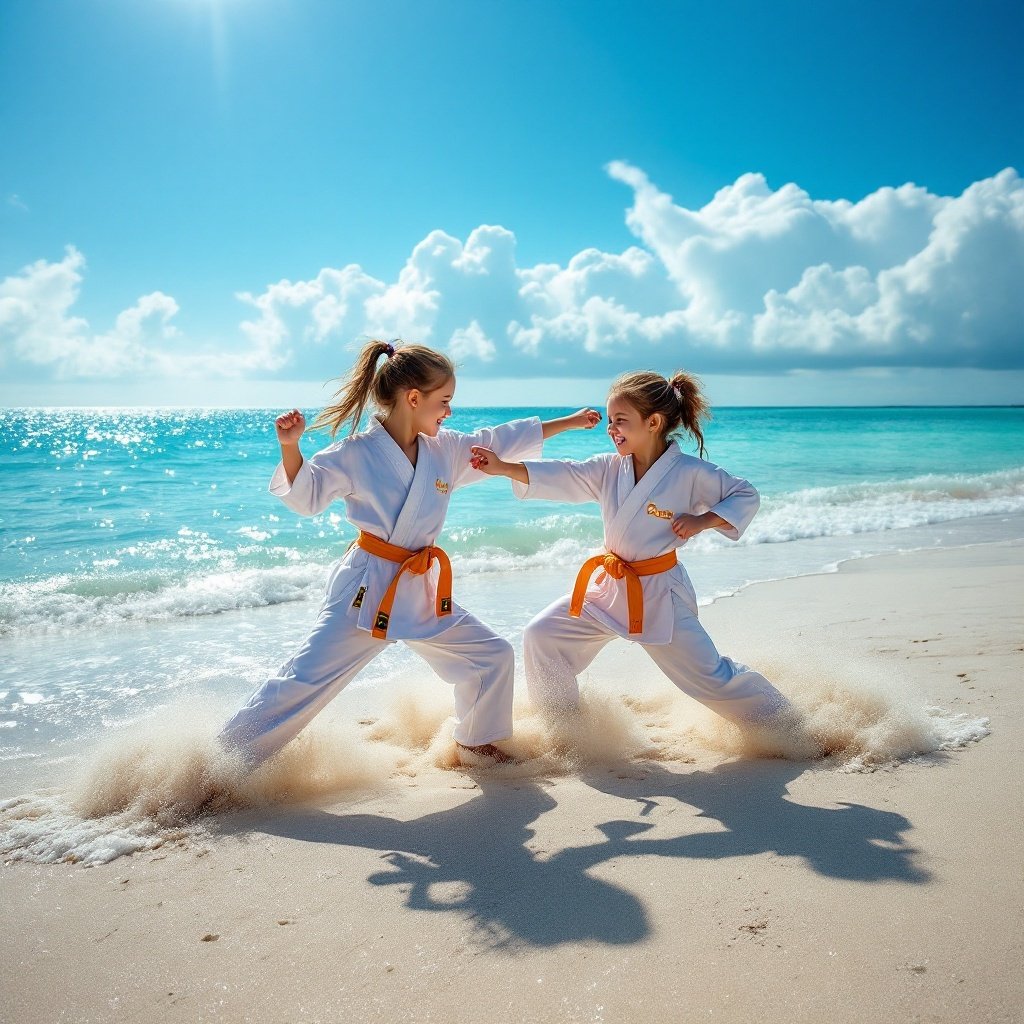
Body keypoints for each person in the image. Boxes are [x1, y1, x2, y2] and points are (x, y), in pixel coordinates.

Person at [219, 340, 600, 769]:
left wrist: (567, 423)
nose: (449, 413)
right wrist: (291, 447)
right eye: (445, 402)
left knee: (490, 656)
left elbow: (498, 440)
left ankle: (476, 745)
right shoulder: (357, 452)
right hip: (367, 591)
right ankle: (222, 763)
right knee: (302, 681)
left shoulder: (447, 450)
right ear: (413, 398)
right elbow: (307, 495)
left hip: (419, 589)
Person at [468, 369, 790, 727]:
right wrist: (502, 467)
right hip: (608, 588)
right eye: (609, 420)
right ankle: (565, 732)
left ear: (653, 422)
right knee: (543, 636)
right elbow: (564, 474)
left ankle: (790, 726)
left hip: (658, 596)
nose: (611, 429)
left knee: (712, 679)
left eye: (620, 420)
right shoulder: (609, 468)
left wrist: (703, 521)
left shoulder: (689, 472)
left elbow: (745, 494)